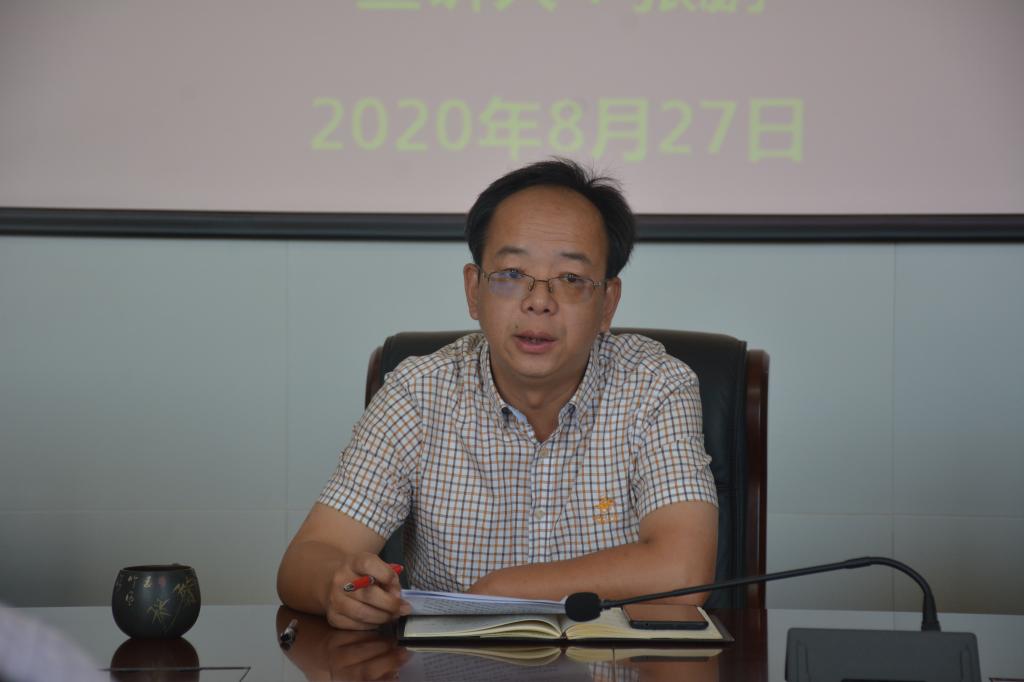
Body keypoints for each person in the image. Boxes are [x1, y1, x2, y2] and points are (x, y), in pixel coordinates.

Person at [277, 159, 718, 630]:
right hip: (451, 662)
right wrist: (338, 587)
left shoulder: (655, 385)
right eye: (511, 273)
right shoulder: (419, 392)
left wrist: (501, 591)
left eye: (571, 279)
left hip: (610, 662)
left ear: (607, 302)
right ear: (474, 290)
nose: (538, 301)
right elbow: (307, 559)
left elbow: (683, 572)